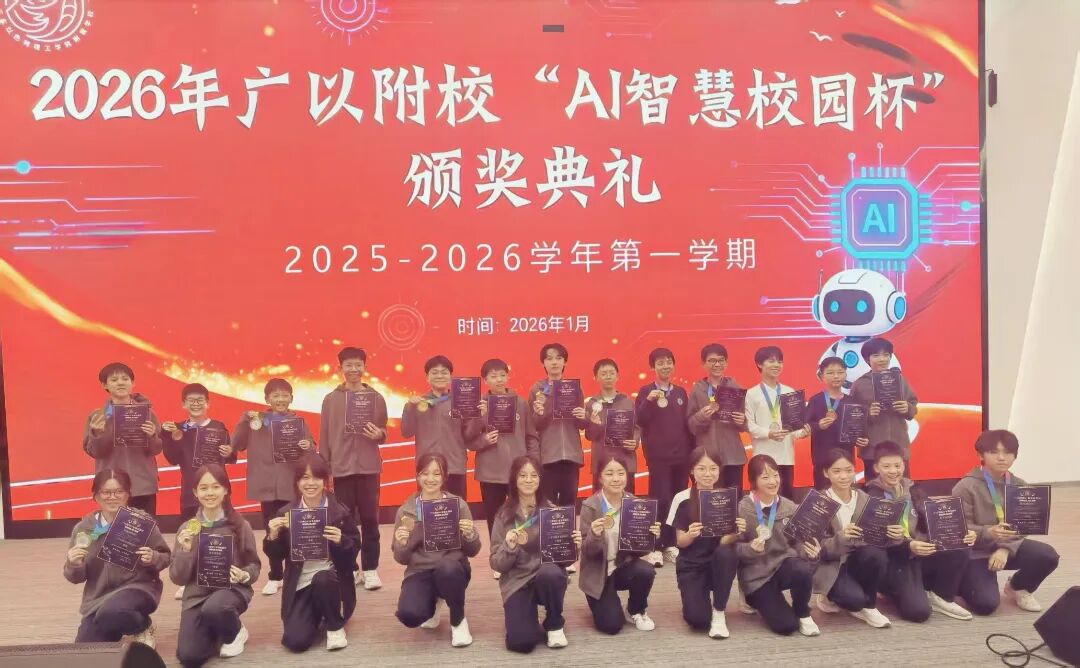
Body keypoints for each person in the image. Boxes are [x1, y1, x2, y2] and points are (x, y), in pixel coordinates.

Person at [866, 441, 977, 621]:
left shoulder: (914, 489)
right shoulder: (870, 495)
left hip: (922, 551)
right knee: (918, 613)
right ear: (876, 468)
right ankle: (893, 590)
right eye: (886, 466)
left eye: (897, 465)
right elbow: (874, 539)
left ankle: (941, 595)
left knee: (960, 544)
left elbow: (935, 518)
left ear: (904, 465)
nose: (893, 471)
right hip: (896, 560)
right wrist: (908, 546)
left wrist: (961, 531)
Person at [954, 429, 1060, 615]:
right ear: (981, 455)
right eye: (994, 452)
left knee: (1048, 555)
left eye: (1008, 452)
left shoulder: (1020, 485)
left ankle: (1018, 586)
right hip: (976, 552)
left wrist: (1004, 549)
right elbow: (959, 528)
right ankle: (962, 583)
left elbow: (1024, 524)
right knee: (985, 605)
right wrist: (988, 532)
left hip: (1007, 548)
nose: (1001, 458)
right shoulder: (966, 486)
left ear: (1015, 456)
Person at [264, 454, 361, 652]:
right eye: (304, 478)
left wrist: (341, 541)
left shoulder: (340, 512)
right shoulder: (286, 513)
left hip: (332, 582)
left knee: (323, 578)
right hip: (300, 584)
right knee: (295, 642)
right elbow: (277, 555)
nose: (310, 483)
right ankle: (317, 612)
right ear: (297, 481)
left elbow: (353, 551)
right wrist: (272, 536)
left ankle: (334, 626)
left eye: (316, 477)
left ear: (325, 481)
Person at [64, 469, 170, 649]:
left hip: (138, 588)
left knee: (113, 612)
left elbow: (166, 556)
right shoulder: (83, 529)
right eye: (106, 492)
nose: (112, 497)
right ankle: (116, 624)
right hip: (99, 599)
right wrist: (74, 564)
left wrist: (153, 557)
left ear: (128, 494)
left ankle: (142, 627)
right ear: (96, 496)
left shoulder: (141, 522)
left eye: (119, 491)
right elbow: (76, 578)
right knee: (85, 648)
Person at [170, 465, 262, 666]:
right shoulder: (187, 529)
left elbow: (254, 565)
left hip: (230, 591)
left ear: (226, 490)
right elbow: (177, 577)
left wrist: (244, 575)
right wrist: (185, 550)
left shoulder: (240, 525)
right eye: (203, 488)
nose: (209, 493)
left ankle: (236, 631)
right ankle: (214, 628)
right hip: (196, 598)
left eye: (215, 487)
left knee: (216, 608)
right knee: (189, 657)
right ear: (195, 492)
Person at [233, 378, 315, 596]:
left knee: (295, 531)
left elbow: (311, 450)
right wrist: (244, 420)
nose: (280, 399)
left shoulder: (298, 422)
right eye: (275, 395)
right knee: (272, 531)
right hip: (267, 487)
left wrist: (308, 445)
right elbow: (237, 444)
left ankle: (294, 574)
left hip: (292, 486)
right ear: (267, 399)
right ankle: (275, 575)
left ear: (291, 398)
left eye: (284, 395)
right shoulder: (257, 421)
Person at [489, 455, 581, 652]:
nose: (529, 480)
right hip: (517, 580)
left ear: (540, 479)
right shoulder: (503, 515)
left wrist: (574, 546)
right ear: (514, 479)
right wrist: (509, 547)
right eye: (523, 475)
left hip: (544, 576)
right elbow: (496, 563)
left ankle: (554, 622)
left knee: (552, 573)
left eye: (534, 475)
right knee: (521, 643)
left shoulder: (553, 512)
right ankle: (525, 618)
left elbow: (565, 561)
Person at [392, 453, 482, 647]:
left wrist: (469, 534)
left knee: (447, 569)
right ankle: (433, 601)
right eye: (425, 473)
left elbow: (474, 550)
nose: (430, 479)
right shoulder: (406, 511)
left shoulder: (458, 505)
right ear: (417, 476)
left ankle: (458, 620)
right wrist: (402, 543)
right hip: (420, 571)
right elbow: (401, 558)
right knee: (409, 615)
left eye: (436, 473)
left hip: (452, 569)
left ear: (444, 477)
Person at [319, 346, 389, 591]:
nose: (354, 369)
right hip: (341, 469)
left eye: (358, 364)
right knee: (344, 522)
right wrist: (325, 468)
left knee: (370, 519)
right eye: (348, 365)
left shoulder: (376, 398)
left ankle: (370, 569)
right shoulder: (330, 400)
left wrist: (379, 434)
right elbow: (325, 435)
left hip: (369, 467)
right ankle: (350, 567)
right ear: (340, 368)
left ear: (364, 367)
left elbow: (383, 430)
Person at [162, 383, 234, 600]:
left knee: (220, 532)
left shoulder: (219, 427)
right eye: (191, 400)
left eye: (200, 400)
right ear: (183, 404)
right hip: (191, 491)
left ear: (207, 403)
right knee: (191, 533)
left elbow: (231, 456)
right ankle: (188, 580)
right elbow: (172, 458)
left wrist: (229, 451)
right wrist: (169, 437)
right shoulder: (178, 429)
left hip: (218, 491)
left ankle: (219, 575)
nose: (196, 404)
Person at [736, 454, 821, 637]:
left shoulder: (790, 507)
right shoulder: (743, 509)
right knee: (786, 626)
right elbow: (733, 548)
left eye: (775, 475)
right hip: (757, 577)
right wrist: (750, 549)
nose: (773, 481)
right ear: (753, 481)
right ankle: (754, 599)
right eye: (765, 477)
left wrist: (808, 551)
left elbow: (797, 542)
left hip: (782, 566)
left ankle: (803, 613)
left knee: (801, 568)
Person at [578, 452, 661, 634]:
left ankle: (635, 610)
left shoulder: (635, 504)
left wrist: (651, 537)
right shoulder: (590, 505)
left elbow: (640, 551)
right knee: (611, 625)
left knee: (645, 570)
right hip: (598, 572)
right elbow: (586, 551)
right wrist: (594, 534)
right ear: (600, 478)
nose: (616, 479)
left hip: (623, 566)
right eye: (609, 473)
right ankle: (603, 602)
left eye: (620, 473)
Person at [811, 449, 893, 628]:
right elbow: (817, 549)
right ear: (826, 473)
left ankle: (869, 605)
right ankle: (828, 596)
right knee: (854, 601)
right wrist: (841, 537)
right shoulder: (818, 502)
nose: (844, 476)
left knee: (876, 553)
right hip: (832, 564)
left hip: (859, 560)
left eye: (849, 470)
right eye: (837, 471)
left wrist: (891, 534)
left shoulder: (865, 499)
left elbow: (878, 537)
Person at [469, 358, 539, 566]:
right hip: (490, 471)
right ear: (485, 380)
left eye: (502, 375)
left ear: (508, 376)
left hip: (519, 472)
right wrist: (482, 434)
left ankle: (528, 554)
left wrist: (534, 463)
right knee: (495, 517)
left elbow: (531, 436)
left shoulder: (520, 403)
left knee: (525, 514)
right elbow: (469, 439)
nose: (499, 379)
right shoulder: (479, 405)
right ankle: (498, 559)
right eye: (493, 376)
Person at [671, 446, 745, 639]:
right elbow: (680, 541)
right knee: (698, 620)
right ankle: (697, 599)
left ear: (719, 470)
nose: (707, 474)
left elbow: (725, 541)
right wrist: (690, 534)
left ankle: (719, 611)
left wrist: (736, 532)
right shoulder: (682, 498)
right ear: (692, 470)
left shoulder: (726, 498)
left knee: (727, 552)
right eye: (701, 468)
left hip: (717, 563)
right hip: (692, 566)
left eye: (713, 468)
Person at [635, 347, 694, 567]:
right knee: (660, 500)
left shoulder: (680, 393)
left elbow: (687, 425)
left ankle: (671, 544)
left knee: (678, 500)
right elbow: (640, 420)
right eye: (660, 363)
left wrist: (692, 454)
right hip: (658, 457)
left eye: (669, 361)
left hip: (681, 456)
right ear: (653, 367)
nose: (665, 366)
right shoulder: (645, 391)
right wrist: (648, 401)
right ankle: (656, 545)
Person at [82, 362, 162, 515]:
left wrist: (152, 436)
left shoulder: (147, 414)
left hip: (142, 486)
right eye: (114, 380)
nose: (120, 383)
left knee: (143, 529)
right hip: (111, 488)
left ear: (133, 383)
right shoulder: (97, 416)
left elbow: (157, 449)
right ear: (104, 385)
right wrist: (97, 434)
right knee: (113, 529)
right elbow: (95, 452)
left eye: (125, 379)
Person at [401, 355, 484, 499]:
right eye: (434, 372)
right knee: (428, 510)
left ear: (450, 377)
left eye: (444, 372)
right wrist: (409, 408)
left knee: (456, 509)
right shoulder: (417, 403)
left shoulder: (461, 402)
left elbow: (470, 435)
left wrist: (477, 416)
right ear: (427, 378)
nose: (439, 376)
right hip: (427, 470)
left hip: (454, 467)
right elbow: (406, 432)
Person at [743, 346, 809, 499]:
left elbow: (795, 428)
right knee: (763, 499)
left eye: (779, 362)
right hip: (762, 456)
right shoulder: (751, 394)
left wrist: (803, 432)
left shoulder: (789, 392)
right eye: (771, 361)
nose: (776, 365)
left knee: (786, 500)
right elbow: (749, 425)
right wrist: (769, 433)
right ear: (759, 364)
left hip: (786, 456)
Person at [528, 343, 588, 509]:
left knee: (569, 505)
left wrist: (583, 416)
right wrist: (541, 411)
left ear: (565, 362)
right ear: (543, 363)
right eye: (549, 358)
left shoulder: (574, 388)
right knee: (547, 507)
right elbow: (533, 425)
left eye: (559, 358)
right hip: (547, 456)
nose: (554, 362)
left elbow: (581, 424)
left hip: (571, 455)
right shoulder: (537, 389)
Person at [848, 338, 918, 480]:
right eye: (876, 355)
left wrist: (907, 408)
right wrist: (867, 413)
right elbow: (851, 417)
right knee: (875, 489)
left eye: (886, 355)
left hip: (898, 445)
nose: (882, 359)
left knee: (902, 488)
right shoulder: (859, 384)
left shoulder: (900, 380)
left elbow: (913, 404)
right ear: (867, 359)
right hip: (872, 449)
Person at [686, 343, 748, 494]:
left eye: (721, 360)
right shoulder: (697, 389)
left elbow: (746, 423)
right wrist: (701, 416)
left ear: (726, 363)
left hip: (733, 455)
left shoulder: (735, 387)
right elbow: (690, 426)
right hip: (708, 456)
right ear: (703, 364)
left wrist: (742, 421)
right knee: (710, 498)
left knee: (734, 498)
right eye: (712, 361)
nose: (717, 364)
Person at [805, 357, 869, 490]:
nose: (836, 376)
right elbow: (805, 427)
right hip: (822, 459)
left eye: (840, 372)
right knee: (824, 496)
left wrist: (862, 440)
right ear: (822, 376)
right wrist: (818, 426)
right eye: (830, 373)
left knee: (847, 493)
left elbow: (859, 429)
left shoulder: (853, 402)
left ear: (845, 375)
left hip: (846, 458)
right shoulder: (816, 401)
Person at [584, 358, 641, 494]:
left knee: (627, 503)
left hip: (626, 461)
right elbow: (590, 435)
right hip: (601, 461)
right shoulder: (592, 404)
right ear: (596, 377)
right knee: (600, 503)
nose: (608, 377)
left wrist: (634, 441)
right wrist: (594, 424)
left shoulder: (628, 402)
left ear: (617, 376)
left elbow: (637, 427)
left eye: (611, 373)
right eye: (603, 374)